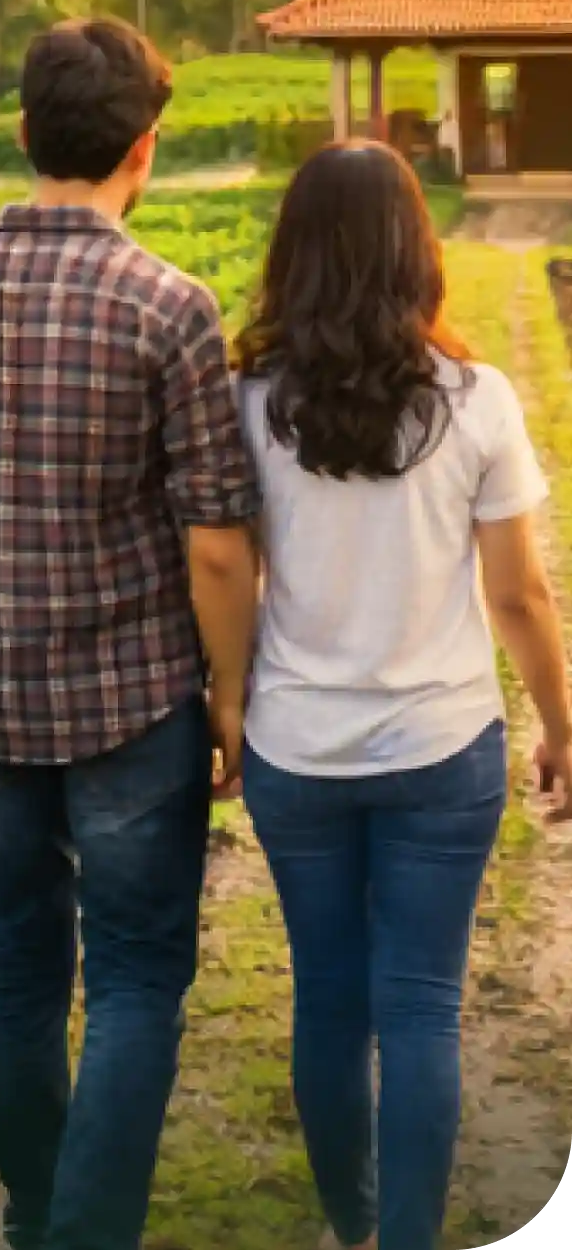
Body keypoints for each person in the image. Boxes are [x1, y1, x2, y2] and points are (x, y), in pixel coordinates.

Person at [0, 18, 259, 1250]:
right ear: (147, 145)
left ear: (24, 132)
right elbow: (215, 540)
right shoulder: (170, 307)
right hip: (136, 707)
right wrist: (233, 698)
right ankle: (86, 1230)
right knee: (138, 973)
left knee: (21, 962)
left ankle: (40, 1212)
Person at [234, 140, 572, 1250]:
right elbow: (519, 593)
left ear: (294, 256)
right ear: (417, 250)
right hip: (442, 747)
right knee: (421, 1004)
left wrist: (230, 706)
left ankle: (353, 1224)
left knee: (329, 1000)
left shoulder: (248, 402)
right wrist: (563, 726)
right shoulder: (474, 400)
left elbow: (225, 568)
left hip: (298, 747)